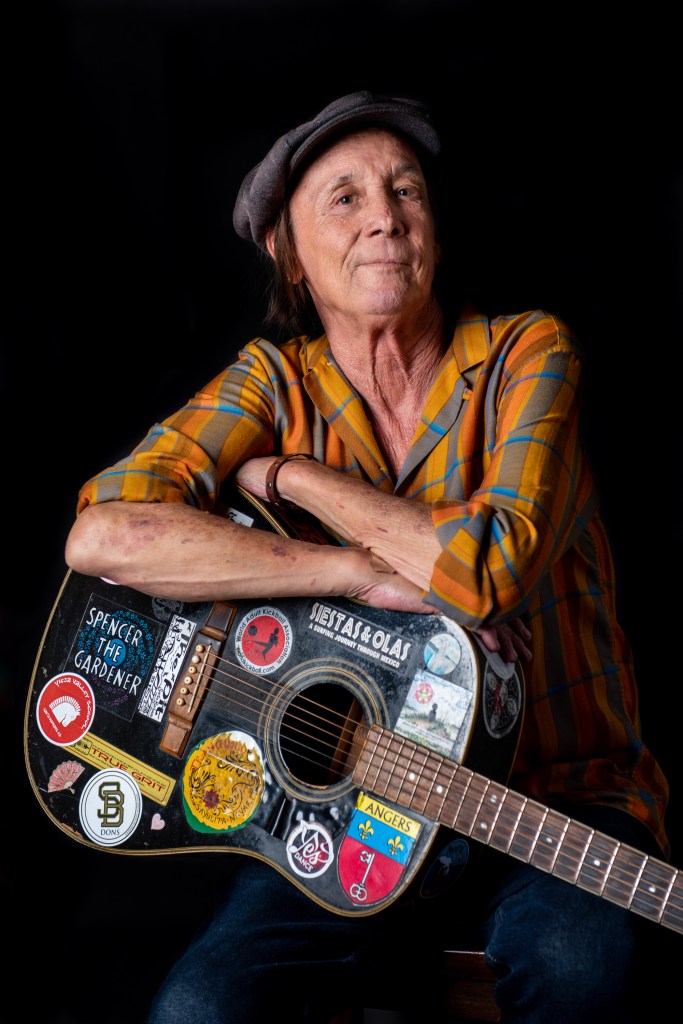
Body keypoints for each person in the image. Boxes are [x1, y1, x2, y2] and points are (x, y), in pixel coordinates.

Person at [64, 91, 673, 1023]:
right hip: (347, 811)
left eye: (405, 191)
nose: (384, 216)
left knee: (578, 966)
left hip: (555, 804)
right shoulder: (270, 383)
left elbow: (484, 574)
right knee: (198, 1007)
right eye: (344, 198)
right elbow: (102, 535)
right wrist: (353, 572)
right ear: (288, 254)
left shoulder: (526, 354)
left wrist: (293, 477)